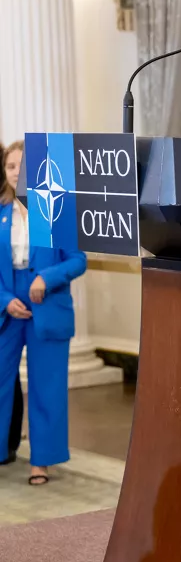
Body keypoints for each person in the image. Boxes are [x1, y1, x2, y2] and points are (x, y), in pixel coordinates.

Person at [0, 140, 87, 486]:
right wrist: (5, 298)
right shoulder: (0, 211)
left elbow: (78, 260)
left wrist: (46, 279)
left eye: (23, 166)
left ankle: (42, 461)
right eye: (10, 167)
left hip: (47, 305)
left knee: (46, 386)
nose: (16, 172)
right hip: (7, 307)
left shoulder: (56, 210)